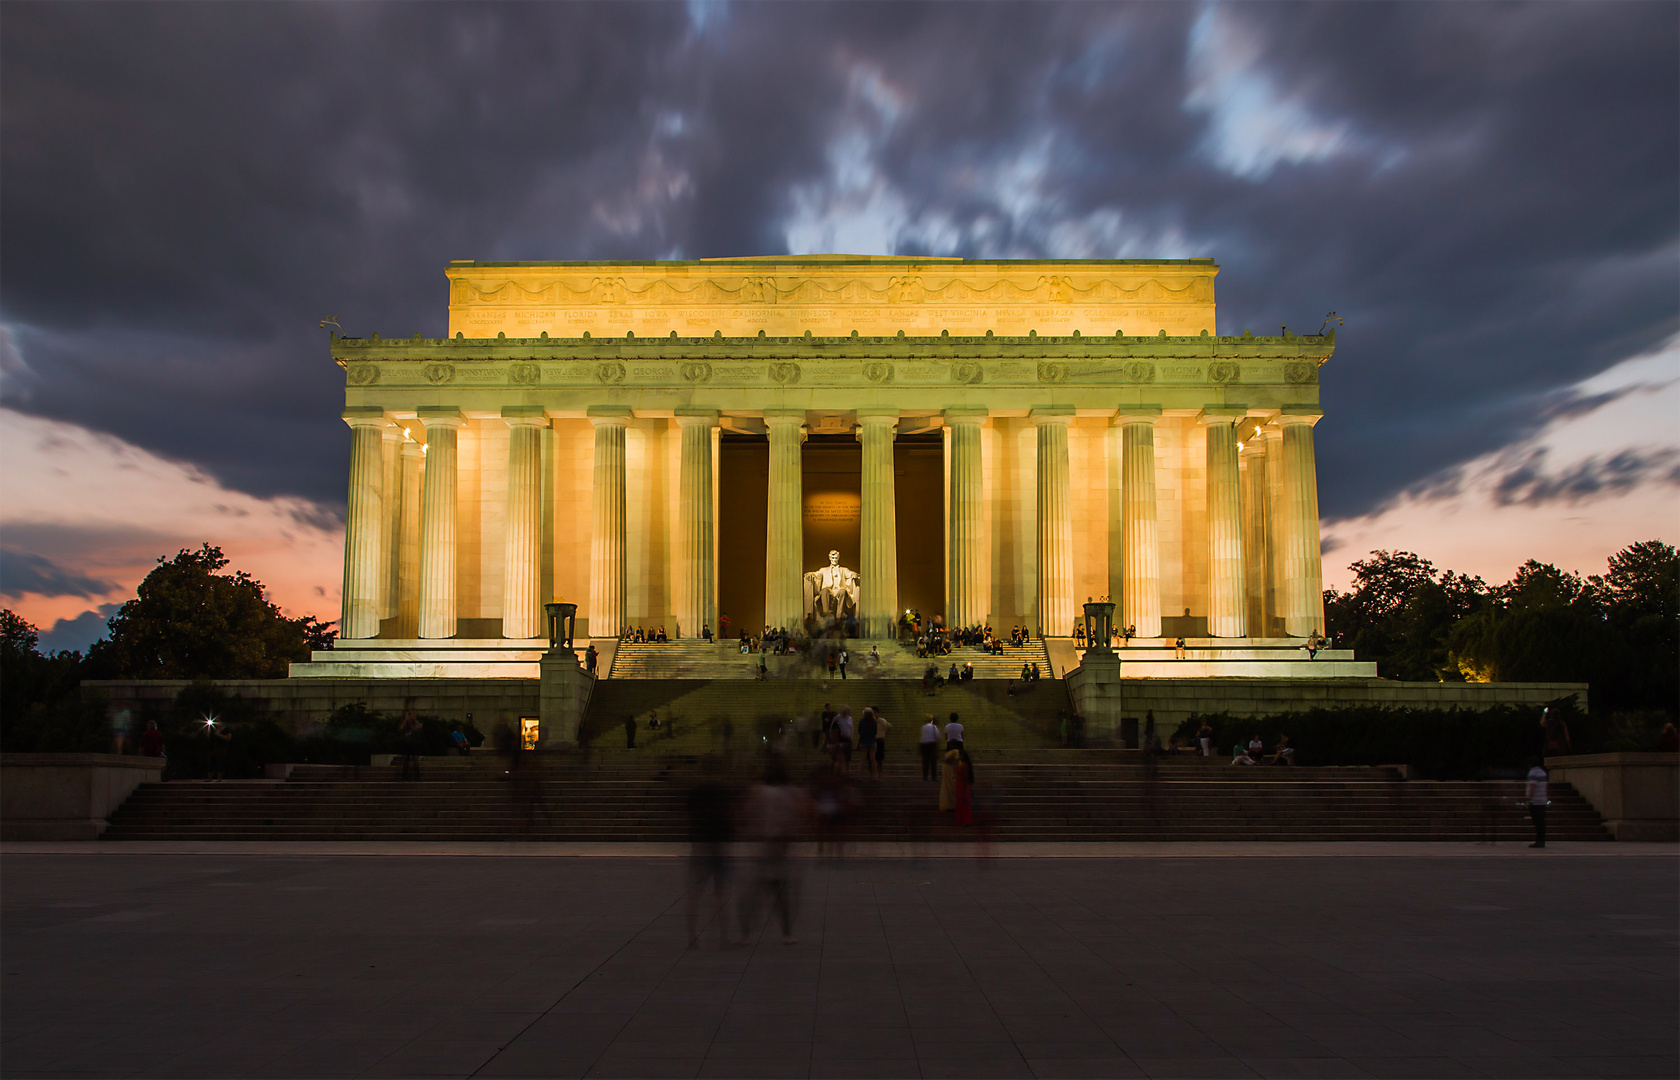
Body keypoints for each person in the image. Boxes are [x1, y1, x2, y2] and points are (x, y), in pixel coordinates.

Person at [739, 761, 801, 945]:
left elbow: (747, 813)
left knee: (755, 893)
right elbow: (790, 820)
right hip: (777, 846)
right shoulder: (784, 795)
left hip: (763, 845)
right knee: (781, 894)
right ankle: (786, 933)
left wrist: (751, 837)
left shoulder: (759, 792)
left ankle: (745, 933)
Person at [686, 763, 738, 947]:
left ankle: (692, 936)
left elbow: (689, 816)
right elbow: (731, 814)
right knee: (722, 893)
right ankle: (723, 937)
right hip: (720, 843)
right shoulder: (725, 790)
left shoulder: (697, 791)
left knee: (695, 892)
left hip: (701, 844)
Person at [1525, 760, 1549, 848]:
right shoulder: (1543, 773)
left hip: (1535, 801)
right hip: (1542, 799)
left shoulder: (1532, 773)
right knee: (1541, 821)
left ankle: (1539, 840)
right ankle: (1541, 839)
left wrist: (1529, 798)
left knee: (1537, 821)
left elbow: (1532, 786)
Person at [398, 706, 422, 781]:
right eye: (409, 714)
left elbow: (417, 728)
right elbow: (401, 728)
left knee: (415, 761)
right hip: (406, 743)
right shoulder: (406, 722)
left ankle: (417, 778)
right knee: (405, 761)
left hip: (414, 743)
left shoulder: (417, 722)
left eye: (411, 713)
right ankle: (404, 777)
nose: (410, 715)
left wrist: (413, 719)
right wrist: (406, 719)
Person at [857, 708, 879, 780]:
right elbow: (875, 732)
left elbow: (859, 731)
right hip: (872, 741)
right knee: (873, 760)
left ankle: (860, 776)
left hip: (863, 741)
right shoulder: (874, 722)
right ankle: (874, 776)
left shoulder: (862, 722)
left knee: (863, 759)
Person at [953, 749, 974, 826]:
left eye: (960, 755)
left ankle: (965, 821)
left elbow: (965, 779)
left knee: (963, 805)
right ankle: (962, 820)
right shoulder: (962, 764)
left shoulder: (965, 765)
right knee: (961, 804)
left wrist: (965, 792)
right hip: (960, 786)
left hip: (962, 787)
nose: (959, 756)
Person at [919, 716, 940, 782]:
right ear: (932, 721)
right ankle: (934, 777)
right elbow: (938, 736)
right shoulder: (934, 727)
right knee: (933, 761)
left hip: (923, 745)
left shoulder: (923, 727)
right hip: (931, 744)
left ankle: (925, 777)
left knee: (925, 761)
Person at [939, 745, 960, 811]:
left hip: (950, 778)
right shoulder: (955, 754)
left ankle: (950, 804)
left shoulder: (949, 757)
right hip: (952, 777)